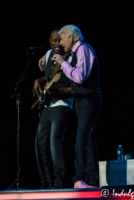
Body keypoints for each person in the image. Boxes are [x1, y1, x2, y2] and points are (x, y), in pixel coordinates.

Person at [50, 25, 102, 188]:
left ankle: (79, 179)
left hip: (89, 99)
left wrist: (63, 62)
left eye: (62, 39)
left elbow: (79, 76)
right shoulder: (74, 53)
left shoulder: (83, 50)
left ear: (70, 38)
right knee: (87, 139)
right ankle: (92, 182)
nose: (60, 43)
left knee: (81, 139)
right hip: (82, 101)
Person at [33, 26, 73, 189]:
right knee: (40, 143)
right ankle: (46, 184)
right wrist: (40, 80)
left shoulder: (69, 56)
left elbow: (72, 81)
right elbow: (50, 77)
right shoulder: (48, 55)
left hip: (63, 103)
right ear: (49, 42)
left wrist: (54, 89)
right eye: (54, 40)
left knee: (54, 140)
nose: (57, 43)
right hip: (48, 104)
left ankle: (59, 183)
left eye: (60, 40)